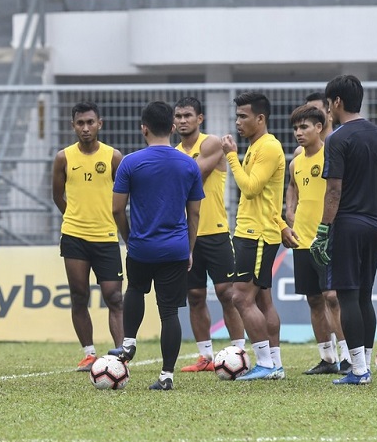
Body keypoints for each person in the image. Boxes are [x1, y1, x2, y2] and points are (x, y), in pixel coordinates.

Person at [110, 101, 203, 390]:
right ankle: (166, 376)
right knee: (169, 313)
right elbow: (195, 212)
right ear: (173, 128)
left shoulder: (130, 162)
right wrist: (188, 248)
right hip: (175, 248)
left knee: (136, 290)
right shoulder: (189, 164)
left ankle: (128, 344)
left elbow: (116, 209)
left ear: (143, 129)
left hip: (141, 246)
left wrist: (129, 238)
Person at [311, 75, 377, 385]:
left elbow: (334, 191)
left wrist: (323, 230)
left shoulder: (337, 138)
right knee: (364, 296)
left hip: (347, 225)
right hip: (375, 224)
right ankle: (365, 367)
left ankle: (358, 370)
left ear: (336, 102)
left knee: (347, 295)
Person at [220, 92, 297, 381]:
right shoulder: (255, 146)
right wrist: (281, 225)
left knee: (240, 296)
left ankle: (266, 363)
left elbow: (250, 188)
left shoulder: (268, 147)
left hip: (257, 236)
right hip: (256, 231)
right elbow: (267, 198)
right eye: (237, 116)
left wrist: (230, 155)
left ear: (260, 118)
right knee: (263, 299)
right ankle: (274, 363)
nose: (238, 122)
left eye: (243, 116)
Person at [173, 97, 245, 372]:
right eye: (178, 116)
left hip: (215, 231)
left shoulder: (211, 143)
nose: (182, 120)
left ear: (200, 119)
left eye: (188, 115)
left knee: (227, 293)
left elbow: (196, 176)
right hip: (188, 233)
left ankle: (238, 351)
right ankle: (205, 356)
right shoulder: (174, 150)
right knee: (195, 296)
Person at [51, 102, 124, 371]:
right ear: (73, 126)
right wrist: (74, 216)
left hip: (106, 236)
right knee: (79, 295)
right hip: (74, 237)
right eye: (80, 123)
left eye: (90, 122)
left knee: (114, 296)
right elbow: (57, 195)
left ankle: (120, 354)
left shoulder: (113, 156)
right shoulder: (64, 157)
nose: (85, 128)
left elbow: (124, 192)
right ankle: (89, 353)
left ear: (99, 124)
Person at [284, 105, 348, 375]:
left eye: (304, 127)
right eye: (296, 128)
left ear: (319, 127)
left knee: (332, 297)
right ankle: (328, 358)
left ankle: (347, 356)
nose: (299, 133)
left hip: (326, 238)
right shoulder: (296, 161)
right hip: (302, 239)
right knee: (313, 299)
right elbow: (292, 186)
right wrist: (289, 210)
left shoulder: (331, 154)